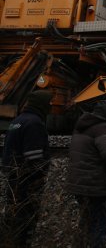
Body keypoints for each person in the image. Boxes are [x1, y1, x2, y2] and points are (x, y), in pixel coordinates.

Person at [65, 100, 106, 248]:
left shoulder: (82, 125)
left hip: (79, 183)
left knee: (86, 222)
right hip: (96, 185)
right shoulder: (102, 128)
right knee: (99, 225)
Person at [1, 89, 52, 248]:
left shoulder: (17, 121)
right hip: (27, 182)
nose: (51, 106)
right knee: (25, 219)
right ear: (42, 105)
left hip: (13, 178)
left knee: (12, 215)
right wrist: (39, 177)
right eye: (49, 102)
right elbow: (34, 157)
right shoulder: (34, 123)